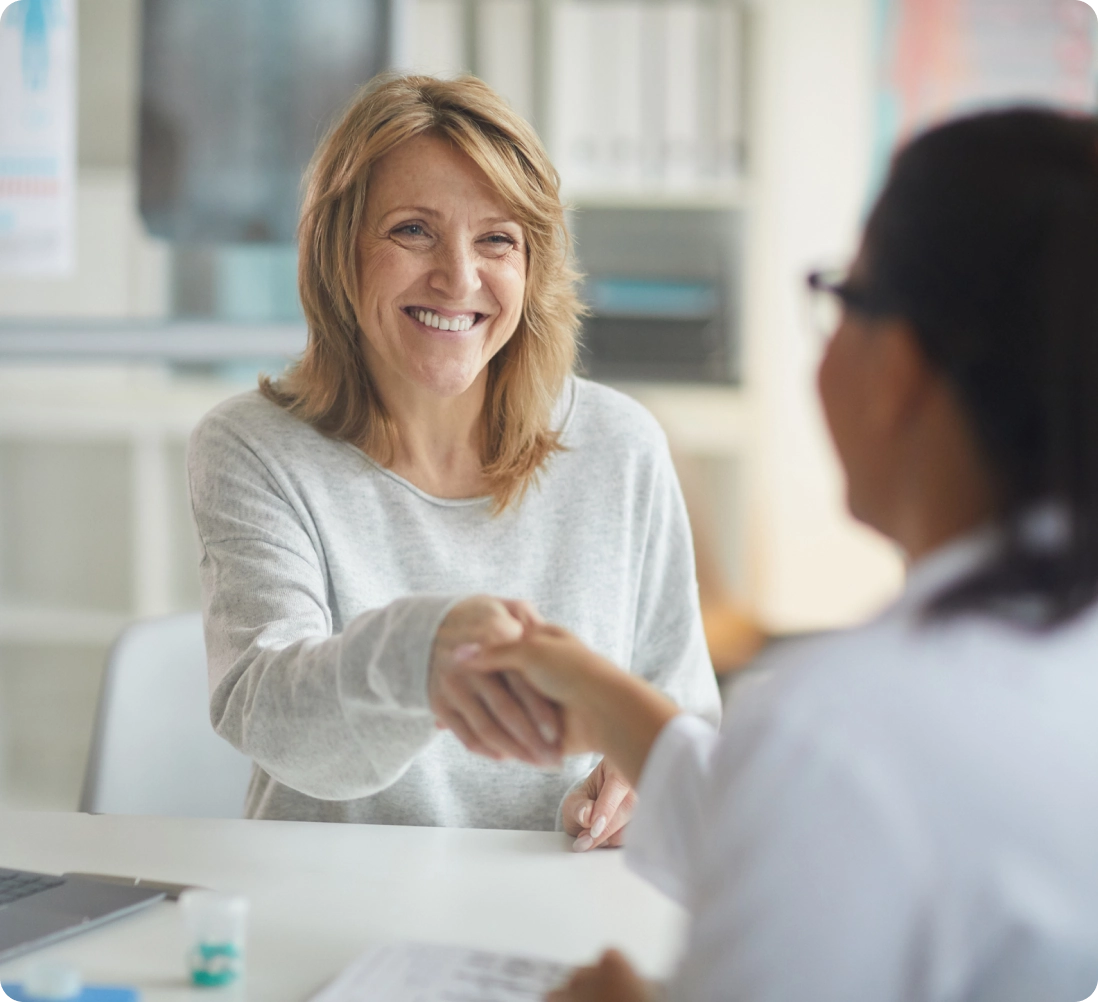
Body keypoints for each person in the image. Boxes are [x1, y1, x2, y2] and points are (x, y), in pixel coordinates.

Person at [465, 107, 1098, 1000]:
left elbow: (833, 802)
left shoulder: (841, 728)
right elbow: (822, 833)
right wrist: (608, 704)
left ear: (899, 370)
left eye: (843, 296)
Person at [186, 73, 721, 842]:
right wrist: (422, 658)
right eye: (412, 230)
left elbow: (685, 723)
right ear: (339, 252)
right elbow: (273, 717)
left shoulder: (622, 446)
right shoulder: (252, 448)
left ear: (532, 267)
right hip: (334, 910)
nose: (459, 278)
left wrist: (645, 775)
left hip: (559, 911)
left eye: (497, 239)